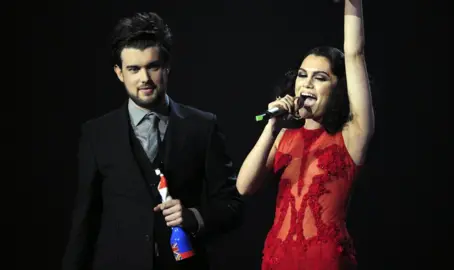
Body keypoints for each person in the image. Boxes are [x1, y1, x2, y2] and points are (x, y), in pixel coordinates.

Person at [61, 12, 243, 270]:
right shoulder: (97, 134)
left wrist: (193, 216)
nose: (144, 78)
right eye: (133, 69)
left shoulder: (203, 127)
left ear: (166, 66)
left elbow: (232, 206)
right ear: (119, 73)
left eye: (152, 67)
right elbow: (84, 220)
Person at [235, 0, 374, 269]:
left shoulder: (352, 135)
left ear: (337, 89)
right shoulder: (283, 136)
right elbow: (243, 186)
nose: (307, 83)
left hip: (325, 262)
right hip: (277, 259)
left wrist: (353, 3)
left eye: (320, 77)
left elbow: (354, 53)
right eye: (302, 75)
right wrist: (271, 125)